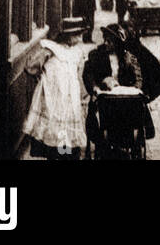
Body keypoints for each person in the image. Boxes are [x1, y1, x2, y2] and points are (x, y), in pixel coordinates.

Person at [22, 16, 88, 159]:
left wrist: (82, 95)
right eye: (77, 35)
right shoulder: (50, 49)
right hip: (53, 99)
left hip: (70, 99)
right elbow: (30, 67)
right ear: (68, 36)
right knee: (53, 135)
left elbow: (78, 75)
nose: (80, 39)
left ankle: (66, 155)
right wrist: (40, 76)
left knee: (68, 139)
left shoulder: (76, 52)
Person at [84, 24, 148, 155]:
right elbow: (88, 74)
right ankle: (103, 141)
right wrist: (96, 86)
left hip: (125, 99)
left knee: (136, 108)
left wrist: (136, 89)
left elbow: (138, 76)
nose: (106, 43)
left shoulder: (127, 57)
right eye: (105, 40)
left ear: (117, 43)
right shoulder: (96, 55)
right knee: (99, 113)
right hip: (105, 99)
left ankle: (128, 139)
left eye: (110, 41)